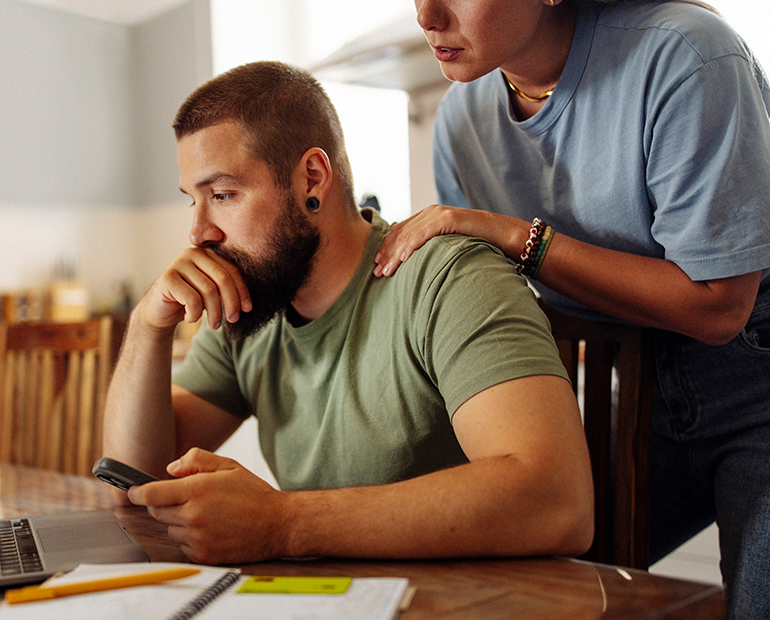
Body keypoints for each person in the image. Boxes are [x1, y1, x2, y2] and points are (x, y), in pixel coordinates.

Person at [102, 60, 594, 566]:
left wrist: (282, 523)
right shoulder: (250, 304)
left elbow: (557, 501)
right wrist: (146, 327)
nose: (199, 233)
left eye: (223, 195)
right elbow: (137, 483)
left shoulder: (448, 277)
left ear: (311, 179)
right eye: (194, 202)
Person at [373, 1, 770, 616]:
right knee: (512, 578)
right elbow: (498, 307)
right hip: (634, 392)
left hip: (756, 379)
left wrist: (514, 235)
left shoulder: (687, 55)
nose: (427, 14)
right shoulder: (461, 119)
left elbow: (719, 309)